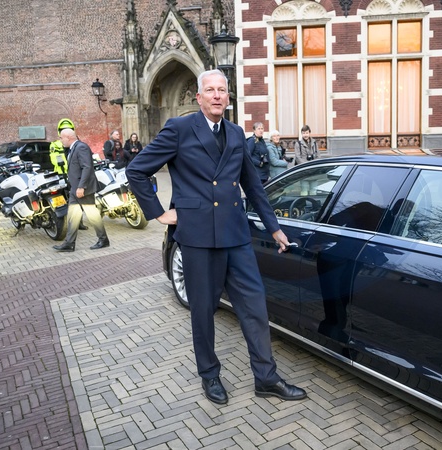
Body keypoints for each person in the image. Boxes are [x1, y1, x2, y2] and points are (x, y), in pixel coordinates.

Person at [126, 69, 307, 405]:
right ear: (199, 97)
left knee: (254, 307)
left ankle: (266, 378)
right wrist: (160, 213)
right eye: (210, 90)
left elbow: (252, 185)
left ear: (228, 96)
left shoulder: (237, 133)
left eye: (222, 90)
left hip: (236, 235)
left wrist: (274, 228)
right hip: (198, 237)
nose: (217, 95)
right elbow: (136, 170)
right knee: (203, 311)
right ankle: (209, 375)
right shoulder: (179, 129)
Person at [53, 128, 110, 252]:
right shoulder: (73, 148)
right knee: (73, 216)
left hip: (83, 188)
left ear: (68, 137)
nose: (60, 140)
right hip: (75, 188)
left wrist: (81, 187)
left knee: (92, 215)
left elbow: (87, 167)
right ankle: (69, 244)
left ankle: (103, 239)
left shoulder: (81, 147)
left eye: (61, 138)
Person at [50, 118, 88, 231]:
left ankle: (79, 222)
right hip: (61, 175)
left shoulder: (76, 143)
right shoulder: (55, 145)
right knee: (62, 201)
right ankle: (64, 223)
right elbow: (54, 159)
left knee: (78, 199)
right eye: (63, 129)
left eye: (68, 129)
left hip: (73, 176)